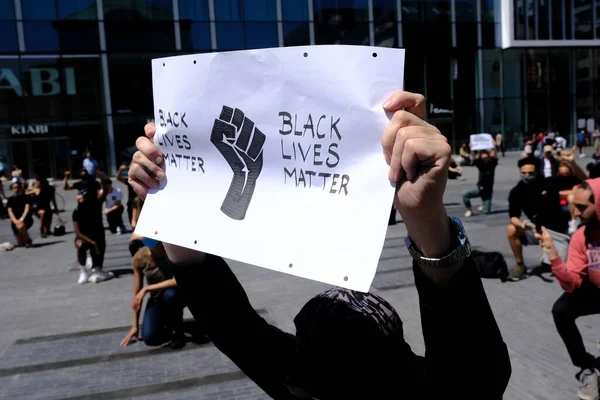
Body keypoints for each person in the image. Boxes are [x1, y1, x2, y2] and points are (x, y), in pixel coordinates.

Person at [128, 91, 511, 399]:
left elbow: (228, 322)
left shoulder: (300, 383)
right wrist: (425, 216)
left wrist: (172, 200)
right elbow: (474, 370)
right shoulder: (443, 391)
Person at [537, 179, 600, 400]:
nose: (576, 212)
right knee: (561, 310)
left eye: (583, 207)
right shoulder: (581, 236)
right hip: (594, 289)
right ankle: (587, 367)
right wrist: (553, 254)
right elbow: (571, 283)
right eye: (575, 205)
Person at [506, 156, 583, 281]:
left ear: (536, 172)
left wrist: (573, 163)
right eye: (524, 173)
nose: (527, 176)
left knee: (557, 268)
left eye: (530, 173)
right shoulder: (516, 191)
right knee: (511, 229)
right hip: (537, 229)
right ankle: (520, 266)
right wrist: (520, 224)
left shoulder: (549, 183)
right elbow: (513, 216)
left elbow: (580, 180)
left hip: (557, 232)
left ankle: (558, 251)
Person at [120, 239, 187, 349]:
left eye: (159, 246)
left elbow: (179, 279)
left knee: (170, 295)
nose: (155, 251)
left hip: (178, 295)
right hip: (157, 298)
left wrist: (147, 289)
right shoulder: (140, 257)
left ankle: (178, 331)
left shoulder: (173, 253)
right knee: (150, 338)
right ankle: (167, 325)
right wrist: (134, 326)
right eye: (152, 248)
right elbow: (137, 292)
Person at [73, 188, 113, 284]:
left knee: (100, 245)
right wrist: (91, 241)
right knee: (81, 246)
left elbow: (104, 194)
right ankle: (83, 271)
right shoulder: (77, 212)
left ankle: (97, 267)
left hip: (96, 235)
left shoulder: (96, 206)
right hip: (83, 237)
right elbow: (78, 232)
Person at [462, 149, 498, 217]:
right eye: (482, 155)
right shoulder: (480, 164)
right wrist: (472, 149)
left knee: (486, 212)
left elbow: (495, 158)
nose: (484, 156)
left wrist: (494, 148)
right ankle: (469, 210)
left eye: (485, 154)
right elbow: (474, 161)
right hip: (480, 188)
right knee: (465, 194)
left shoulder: (492, 163)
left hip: (487, 192)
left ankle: (483, 204)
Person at [7, 181, 32, 248]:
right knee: (21, 244)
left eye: (18, 187)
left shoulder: (27, 197)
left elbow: (27, 209)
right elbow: (10, 212)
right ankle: (25, 238)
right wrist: (15, 221)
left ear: (21, 188)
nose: (16, 189)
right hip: (15, 221)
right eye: (14, 188)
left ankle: (28, 240)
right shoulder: (10, 199)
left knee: (21, 226)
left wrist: (21, 219)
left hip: (26, 219)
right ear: (12, 189)